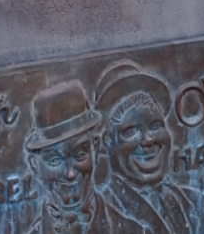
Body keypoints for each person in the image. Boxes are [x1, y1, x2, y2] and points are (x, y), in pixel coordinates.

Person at [96, 62, 204, 234]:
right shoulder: (100, 216)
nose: (148, 140)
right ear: (108, 142)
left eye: (155, 126)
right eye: (131, 132)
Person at [23, 81, 142, 234]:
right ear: (34, 166)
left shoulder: (132, 230)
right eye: (55, 160)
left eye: (79, 155)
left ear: (95, 151)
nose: (70, 173)